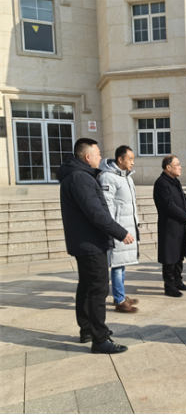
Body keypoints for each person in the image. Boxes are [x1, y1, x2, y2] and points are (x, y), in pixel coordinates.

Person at [58, 138, 134, 354]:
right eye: (98, 153)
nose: (101, 157)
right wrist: (120, 232)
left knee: (86, 286)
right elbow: (95, 212)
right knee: (98, 289)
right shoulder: (80, 178)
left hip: (85, 241)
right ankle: (100, 339)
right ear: (87, 156)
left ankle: (87, 330)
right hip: (90, 242)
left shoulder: (78, 175)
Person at [98, 146, 140, 313]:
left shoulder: (127, 177)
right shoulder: (108, 177)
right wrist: (115, 230)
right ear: (120, 159)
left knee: (121, 264)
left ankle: (120, 295)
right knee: (117, 264)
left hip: (127, 227)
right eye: (130, 159)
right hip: (118, 229)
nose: (133, 162)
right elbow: (107, 207)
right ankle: (119, 300)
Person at [153, 155, 186, 298]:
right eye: (177, 164)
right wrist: (185, 216)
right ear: (168, 167)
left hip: (179, 225)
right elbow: (168, 205)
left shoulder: (175, 181)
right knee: (169, 257)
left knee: (179, 255)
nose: (180, 167)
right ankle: (169, 286)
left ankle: (178, 281)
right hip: (169, 226)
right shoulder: (161, 183)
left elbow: (184, 198)